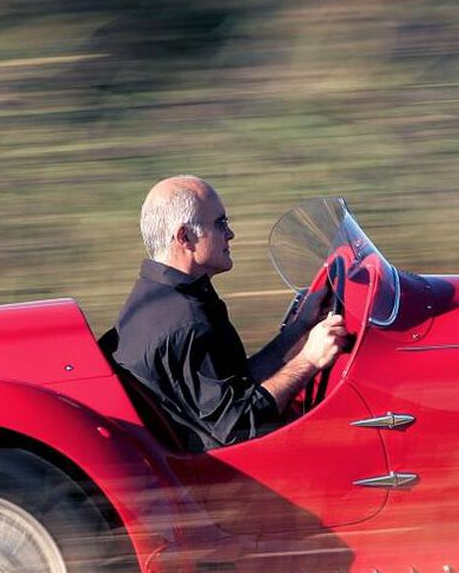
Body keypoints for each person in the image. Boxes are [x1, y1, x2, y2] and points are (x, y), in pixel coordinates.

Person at [110, 176, 348, 452]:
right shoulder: (186, 321)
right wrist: (309, 361)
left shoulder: (159, 295)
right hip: (222, 469)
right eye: (220, 223)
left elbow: (235, 382)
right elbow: (238, 425)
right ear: (184, 236)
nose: (230, 234)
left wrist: (300, 327)